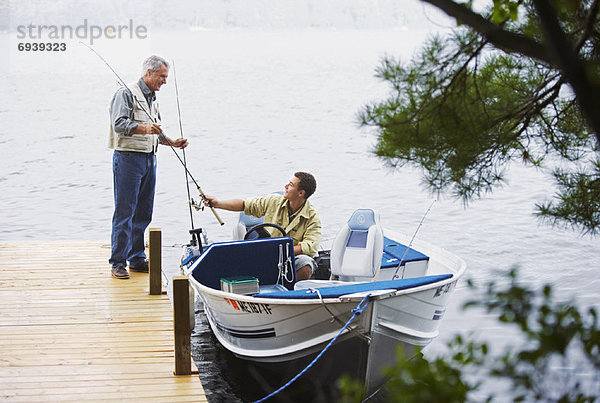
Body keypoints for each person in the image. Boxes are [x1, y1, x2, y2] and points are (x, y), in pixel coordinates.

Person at [108, 55, 188, 279]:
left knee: (144, 211)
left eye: (166, 77)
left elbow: (154, 130)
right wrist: (145, 129)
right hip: (128, 159)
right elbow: (119, 124)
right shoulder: (125, 93)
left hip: (148, 159)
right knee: (125, 211)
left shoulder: (152, 98)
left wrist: (171, 142)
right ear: (149, 73)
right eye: (162, 76)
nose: (164, 81)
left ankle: (136, 258)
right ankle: (117, 262)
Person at [204, 172, 321, 281]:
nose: (285, 186)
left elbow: (309, 247)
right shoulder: (273, 200)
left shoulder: (313, 217)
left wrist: (279, 251)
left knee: (305, 263)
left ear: (301, 193)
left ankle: (292, 294)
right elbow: (245, 205)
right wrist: (218, 204)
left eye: (290, 185)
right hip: (265, 255)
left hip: (289, 259)